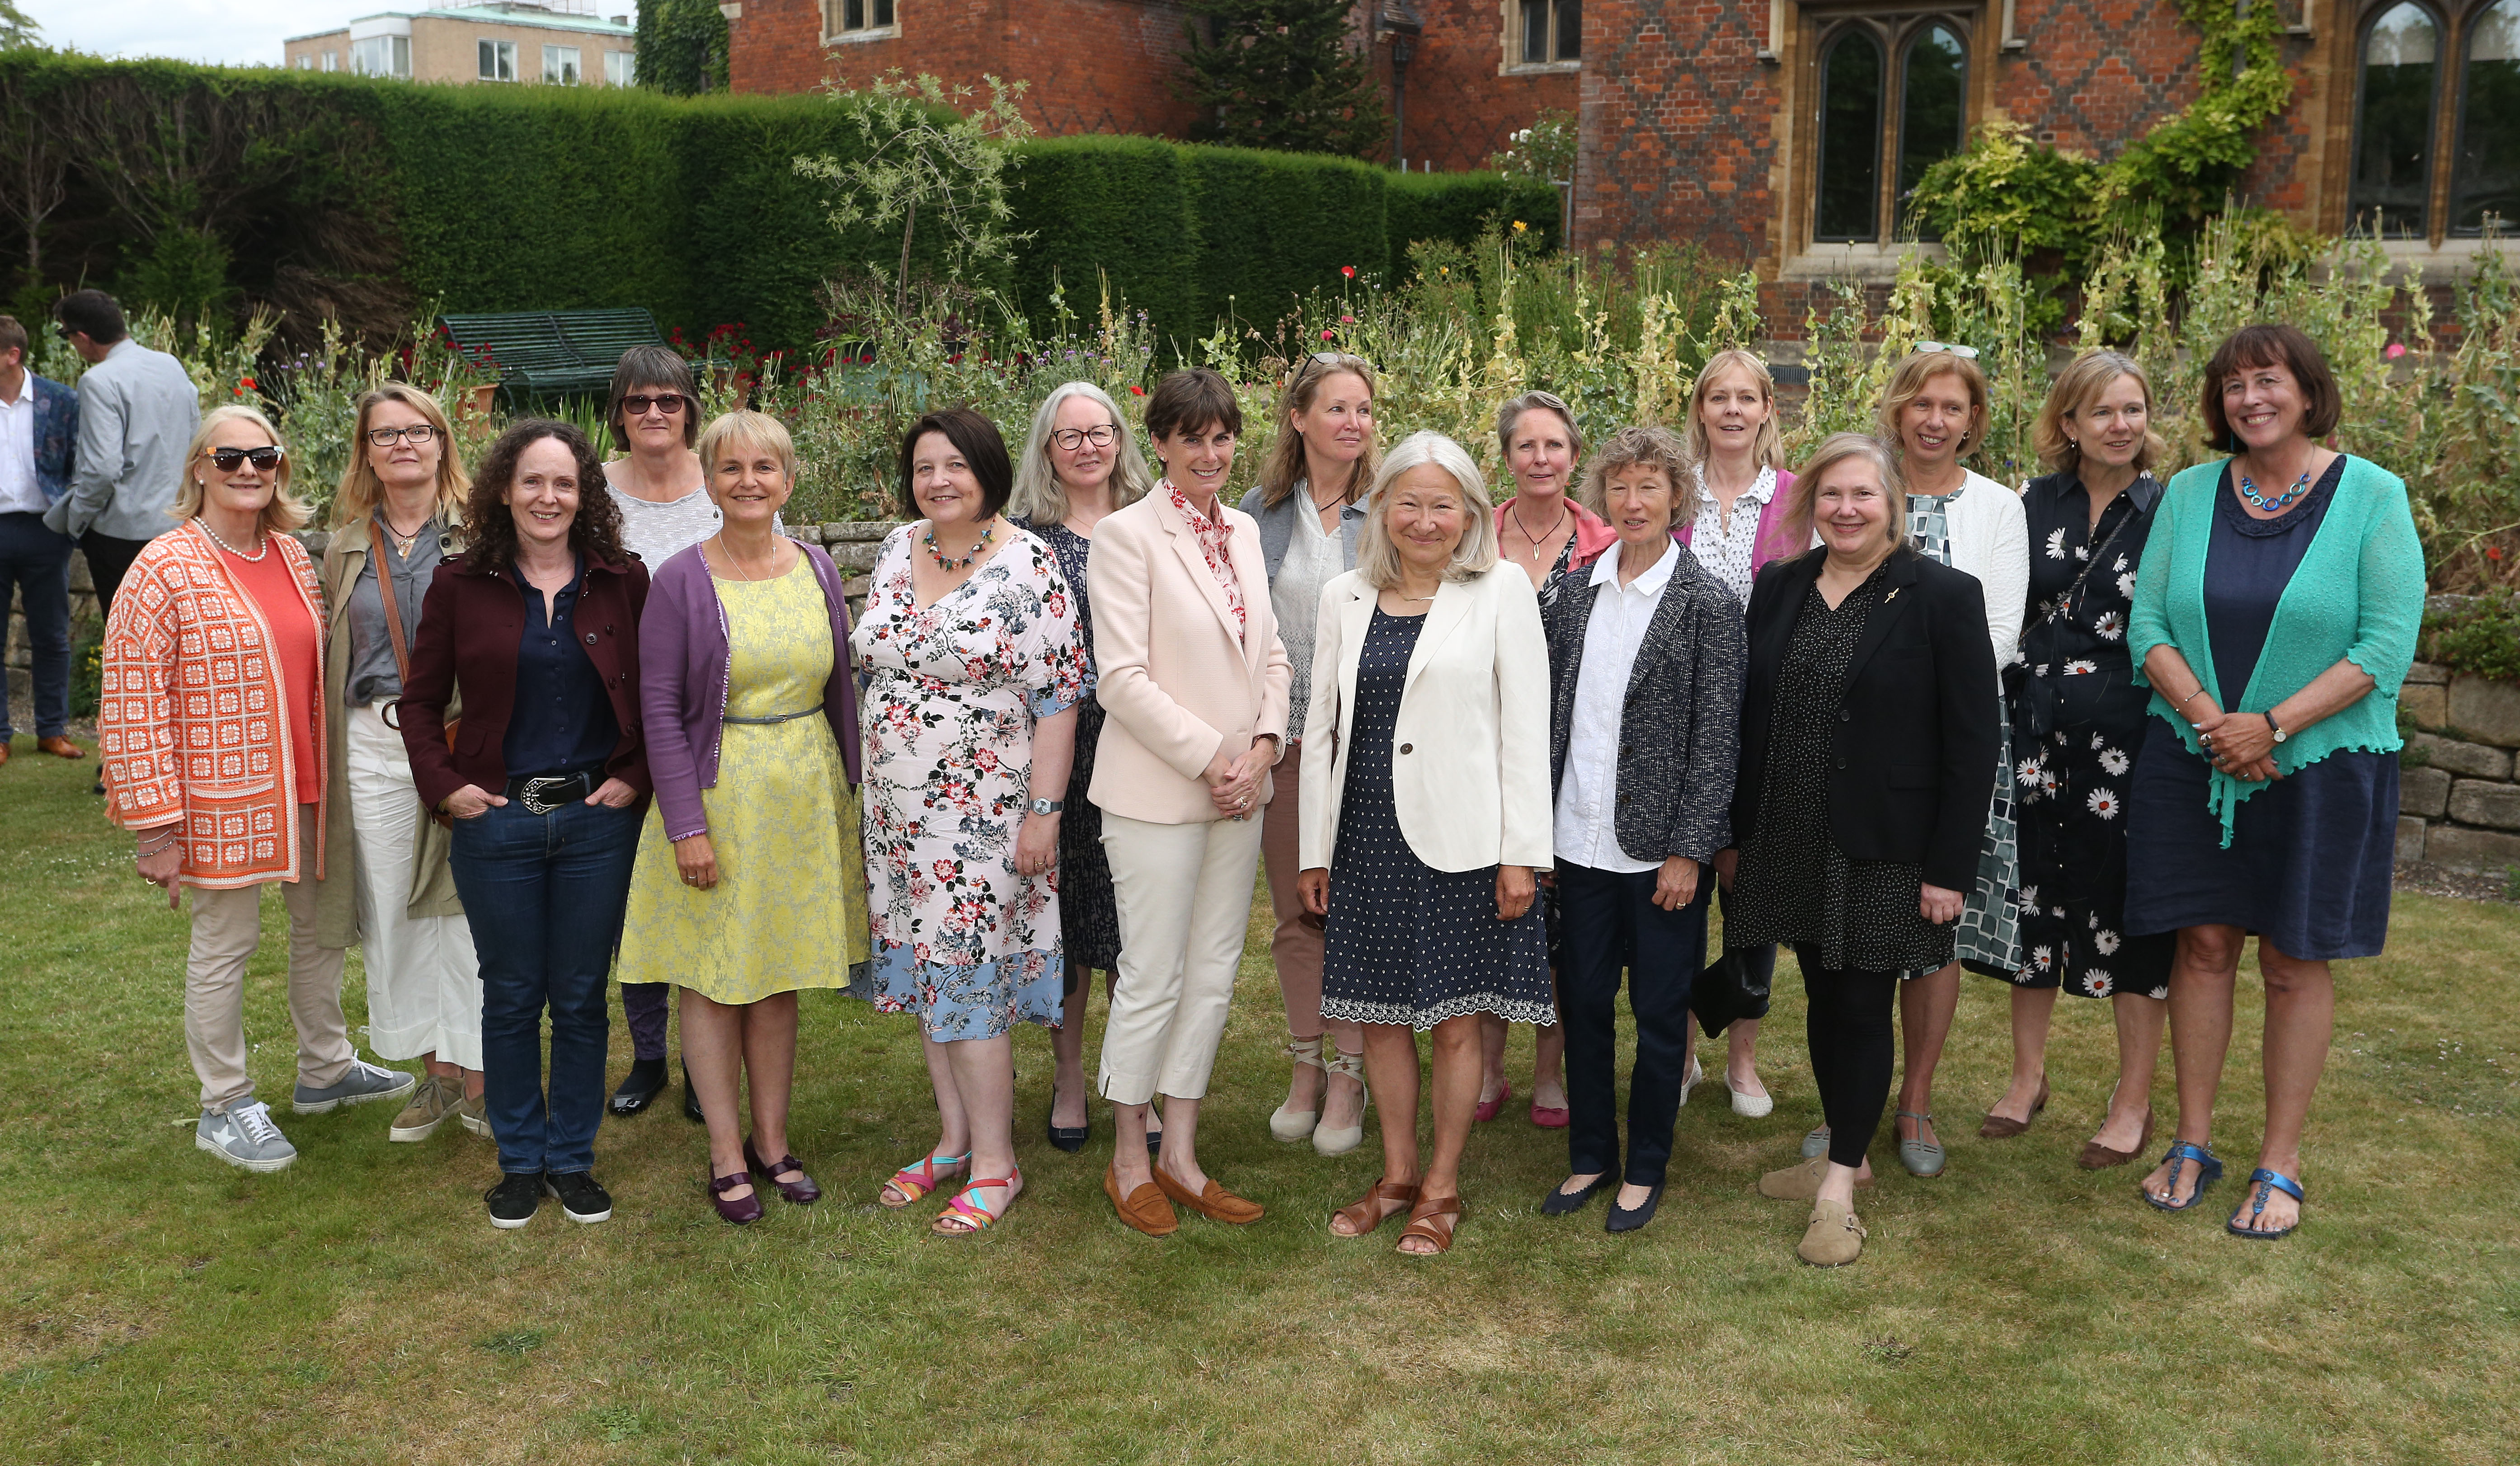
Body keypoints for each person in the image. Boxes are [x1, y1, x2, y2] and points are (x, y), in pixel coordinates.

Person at [2125, 324, 2423, 1240]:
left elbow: (2383, 644)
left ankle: (2280, 1159)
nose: (2249, 399)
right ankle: (2192, 1140)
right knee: (2204, 946)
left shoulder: (2371, 494)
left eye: (2268, 381)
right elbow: (2146, 626)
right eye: (2232, 387)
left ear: (2306, 391)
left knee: (2294, 961)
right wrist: (2216, 723)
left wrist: (2274, 725)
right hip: (2192, 756)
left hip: (2321, 766)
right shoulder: (2186, 493)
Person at [103, 405, 414, 1173]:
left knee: (320, 932)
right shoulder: (163, 565)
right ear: (200, 468)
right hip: (218, 796)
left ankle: (326, 1068)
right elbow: (132, 697)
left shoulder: (289, 554)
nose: (249, 470)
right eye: (231, 456)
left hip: (308, 785)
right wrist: (156, 825)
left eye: (264, 456)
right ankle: (225, 1101)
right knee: (226, 943)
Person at [1724, 433, 1997, 1266]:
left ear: (1892, 504)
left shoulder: (1942, 595)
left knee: (1862, 1001)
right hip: (1789, 831)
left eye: (1863, 495)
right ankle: (1853, 1149)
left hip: (1888, 845)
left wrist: (1950, 868)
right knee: (1818, 992)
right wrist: (1736, 835)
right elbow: (1750, 716)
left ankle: (1839, 1183)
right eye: (1831, 495)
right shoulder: (1779, 586)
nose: (1846, 509)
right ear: (1811, 504)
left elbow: (1973, 738)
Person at [1300, 430, 1555, 1256]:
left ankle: (1442, 1187)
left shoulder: (1502, 589)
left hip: (1465, 842)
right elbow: (1321, 731)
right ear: (1382, 509)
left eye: (1443, 503)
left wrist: (1524, 852)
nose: (1424, 518)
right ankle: (1397, 1175)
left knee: (1453, 1022)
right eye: (1407, 500)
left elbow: (1526, 728)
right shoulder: (1343, 594)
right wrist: (1314, 848)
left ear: (1471, 512)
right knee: (1380, 1019)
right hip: (1365, 837)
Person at [400, 419, 650, 1230]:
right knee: (510, 994)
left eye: (565, 483)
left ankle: (572, 1159)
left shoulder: (623, 582)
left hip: (594, 821)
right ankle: (519, 1161)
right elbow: (417, 702)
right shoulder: (459, 585)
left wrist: (633, 778)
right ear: (504, 489)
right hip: (497, 821)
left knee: (579, 995)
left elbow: (661, 696)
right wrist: (446, 788)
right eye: (533, 481)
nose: (549, 497)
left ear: (586, 496)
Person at [620, 410, 866, 1224]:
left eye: (765, 467)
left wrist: (852, 797)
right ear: (710, 483)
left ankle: (772, 1139)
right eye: (730, 468)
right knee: (716, 977)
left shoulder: (820, 568)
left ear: (789, 481)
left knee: (778, 975)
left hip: (801, 792)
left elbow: (840, 694)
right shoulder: (681, 579)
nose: (749, 481)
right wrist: (686, 823)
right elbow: (658, 707)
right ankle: (725, 1150)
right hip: (718, 796)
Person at [855, 407, 1084, 1237]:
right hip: (896, 815)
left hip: (983, 818)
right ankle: (952, 1138)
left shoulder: (1031, 563)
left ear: (987, 470)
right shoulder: (895, 546)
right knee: (927, 973)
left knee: (969, 977)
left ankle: (997, 1161)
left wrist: (1045, 815)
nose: (939, 479)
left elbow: (1059, 701)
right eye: (924, 466)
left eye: (954, 464)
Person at [1816, 345, 2026, 1180]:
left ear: (1973, 420)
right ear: (1897, 410)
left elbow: (2000, 630)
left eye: (1953, 407)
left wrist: (1924, 692)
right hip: (1853, 754)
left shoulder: (1998, 506)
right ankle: (1849, 1117)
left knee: (1932, 935)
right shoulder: (1859, 489)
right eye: (1921, 404)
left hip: (1951, 744)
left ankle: (1916, 1098)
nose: (1935, 419)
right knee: (1849, 938)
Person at [1091, 369, 1292, 1235]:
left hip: (1240, 791)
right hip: (1157, 794)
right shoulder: (1124, 534)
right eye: (1192, 438)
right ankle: (1128, 1157)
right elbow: (1120, 678)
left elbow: (1273, 654)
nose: (1210, 453)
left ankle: (1181, 1153)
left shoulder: (1244, 527)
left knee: (1212, 977)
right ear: (1162, 443)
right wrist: (1217, 755)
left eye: (1222, 437)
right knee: (1151, 975)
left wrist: (1263, 747)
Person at [1538, 425, 1744, 1234]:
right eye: (1619, 487)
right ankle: (1592, 1153)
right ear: (1602, 498)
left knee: (1660, 1010)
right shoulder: (1571, 593)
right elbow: (1554, 718)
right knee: (1584, 1000)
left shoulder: (1708, 604)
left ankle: (1646, 1164)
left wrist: (1691, 848)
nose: (1632, 501)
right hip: (1575, 839)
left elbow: (1717, 735)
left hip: (1660, 851)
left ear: (1675, 499)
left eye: (1649, 487)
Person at [1994, 352, 2176, 1167]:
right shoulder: (2028, 504)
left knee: (2127, 911)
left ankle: (2130, 1097)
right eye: (2101, 412)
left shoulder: (2171, 510)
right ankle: (2026, 1075)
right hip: (2032, 734)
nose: (2120, 425)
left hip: (2130, 746)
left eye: (2132, 409)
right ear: (2068, 423)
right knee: (2033, 899)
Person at [315, 384, 487, 1144]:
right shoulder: (346, 544)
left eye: (416, 431)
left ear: (442, 441)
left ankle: (484, 1078)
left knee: (473, 913)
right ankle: (436, 1076)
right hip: (374, 745)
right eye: (384, 435)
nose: (402, 445)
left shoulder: (484, 534)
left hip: (463, 743)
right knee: (395, 911)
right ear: (367, 452)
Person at [1008, 381, 1155, 1154]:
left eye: (1101, 431)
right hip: (1061, 746)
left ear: (1121, 439)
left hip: (1143, 746)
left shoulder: (1150, 525)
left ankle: (1134, 1078)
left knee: (1139, 924)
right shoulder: (1028, 540)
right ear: (1047, 450)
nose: (1089, 446)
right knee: (1066, 921)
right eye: (1071, 436)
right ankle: (1069, 1074)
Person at [1236, 351, 1377, 1154]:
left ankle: (1351, 1073)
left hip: (1368, 746)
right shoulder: (1260, 511)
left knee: (1353, 911)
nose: (1352, 422)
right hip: (1286, 744)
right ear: (1298, 417)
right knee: (1298, 910)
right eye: (1336, 408)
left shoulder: (1390, 510)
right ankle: (1303, 1064)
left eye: (1362, 408)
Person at [598, 344, 727, 1120]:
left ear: (690, 409)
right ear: (618, 411)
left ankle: (699, 1052)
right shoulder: (594, 494)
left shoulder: (722, 490)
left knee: (703, 883)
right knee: (632, 896)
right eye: (639, 400)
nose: (654, 413)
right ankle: (648, 1053)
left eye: (669, 400)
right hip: (610, 716)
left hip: (705, 714)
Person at [1675, 348, 1803, 1118]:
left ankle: (1745, 1058)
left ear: (1765, 411)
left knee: (1753, 895)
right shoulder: (1674, 497)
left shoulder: (1796, 500)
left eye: (1744, 398)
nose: (1730, 410)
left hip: (1770, 723)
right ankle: (1684, 1046)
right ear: (1700, 410)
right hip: (1683, 723)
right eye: (1716, 397)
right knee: (1681, 892)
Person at [1486, 389, 1611, 1129]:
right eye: (1526, 446)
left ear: (1573, 455)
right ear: (1506, 456)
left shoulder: (1604, 542)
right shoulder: (1475, 538)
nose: (1540, 458)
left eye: (1554, 446)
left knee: (1561, 926)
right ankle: (1488, 1066)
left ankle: (1549, 1070)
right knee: (1490, 913)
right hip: (1486, 752)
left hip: (1573, 755)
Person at [46, 289, 198, 794]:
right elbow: (197, 440)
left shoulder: (99, 380)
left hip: (122, 534)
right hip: (179, 527)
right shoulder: (170, 365)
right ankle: (178, 758)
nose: (71, 345)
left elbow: (101, 469)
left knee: (130, 656)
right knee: (176, 652)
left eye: (68, 336)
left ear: (84, 337)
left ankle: (125, 767)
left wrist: (73, 521)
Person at [0, 313, 85, 767]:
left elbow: (81, 464)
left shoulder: (61, 400)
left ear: (12, 355)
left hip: (46, 529)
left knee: (52, 636)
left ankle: (52, 730)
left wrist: (69, 521)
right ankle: (0, 735)